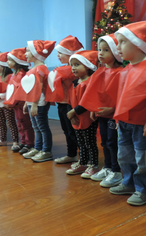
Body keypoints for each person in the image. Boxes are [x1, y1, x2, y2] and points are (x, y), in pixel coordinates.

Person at [108, 21, 146, 206]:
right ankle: (128, 183)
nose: (117, 47)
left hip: (143, 125)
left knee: (143, 158)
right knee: (124, 156)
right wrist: (119, 117)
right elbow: (122, 97)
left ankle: (145, 190)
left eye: (122, 42)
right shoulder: (126, 70)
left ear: (137, 44)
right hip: (125, 123)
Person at [79, 34, 123, 187]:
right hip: (102, 115)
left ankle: (116, 171)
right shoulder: (101, 72)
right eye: (99, 50)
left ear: (116, 53)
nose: (101, 53)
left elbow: (123, 96)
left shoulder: (121, 73)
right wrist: (93, 107)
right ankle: (108, 167)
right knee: (104, 141)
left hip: (113, 115)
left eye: (106, 50)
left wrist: (113, 110)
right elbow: (95, 92)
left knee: (112, 142)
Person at [14, 40, 55, 162]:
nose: (25, 53)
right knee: (36, 127)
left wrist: (35, 104)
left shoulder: (41, 68)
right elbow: (29, 89)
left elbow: (38, 87)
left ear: (35, 52)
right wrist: (27, 102)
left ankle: (46, 151)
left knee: (42, 127)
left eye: (27, 51)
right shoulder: (33, 68)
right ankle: (38, 148)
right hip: (33, 102)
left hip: (39, 103)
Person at [45, 35, 83, 164]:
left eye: (60, 53)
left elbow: (63, 74)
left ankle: (84, 158)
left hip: (70, 105)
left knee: (74, 132)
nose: (58, 56)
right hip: (62, 105)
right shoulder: (62, 70)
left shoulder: (70, 70)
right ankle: (71, 154)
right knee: (67, 132)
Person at [65, 50, 100, 178]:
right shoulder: (74, 83)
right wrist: (72, 115)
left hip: (88, 119)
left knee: (90, 142)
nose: (73, 68)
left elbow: (87, 102)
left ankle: (94, 165)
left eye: (77, 65)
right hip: (76, 119)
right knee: (81, 143)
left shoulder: (90, 82)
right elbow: (70, 100)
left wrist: (73, 112)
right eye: (72, 65)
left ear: (88, 66)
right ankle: (83, 162)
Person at [5, 48, 35, 153]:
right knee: (19, 124)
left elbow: (21, 90)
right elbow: (11, 89)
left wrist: (14, 102)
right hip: (15, 104)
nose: (7, 62)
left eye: (10, 60)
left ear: (17, 61)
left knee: (25, 123)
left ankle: (29, 143)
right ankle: (23, 142)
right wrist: (9, 102)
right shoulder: (13, 74)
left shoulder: (22, 74)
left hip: (21, 104)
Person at [0, 52, 19, 150]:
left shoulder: (9, 76)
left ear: (2, 64)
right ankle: (2, 140)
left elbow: (11, 92)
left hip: (6, 104)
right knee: (0, 123)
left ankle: (15, 141)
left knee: (10, 123)